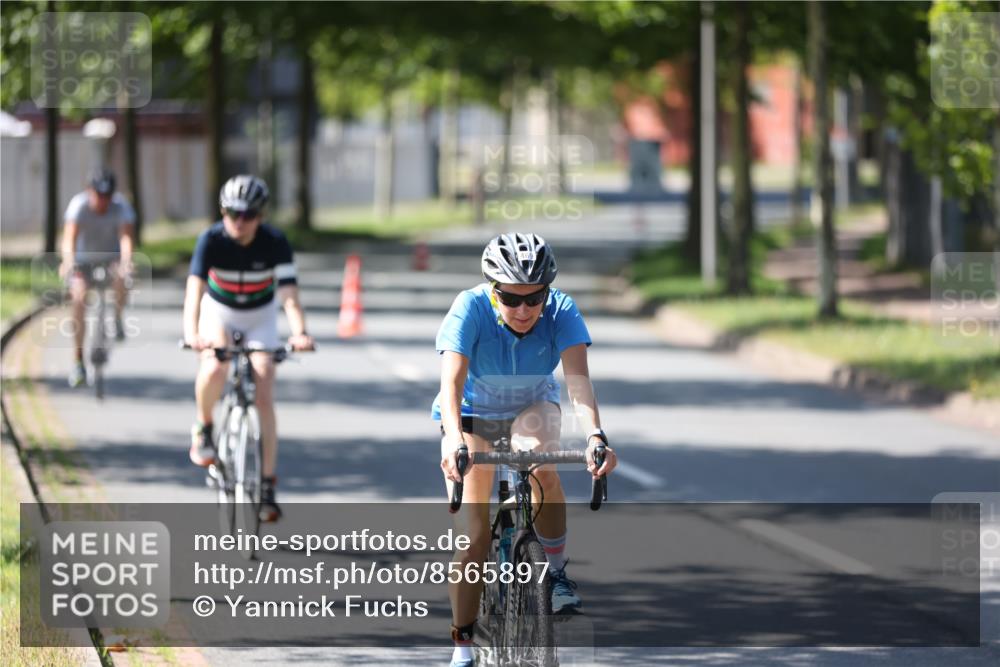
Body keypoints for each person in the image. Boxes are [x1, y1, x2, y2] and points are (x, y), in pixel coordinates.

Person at [434, 232, 618, 667]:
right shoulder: (470, 307)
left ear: (546, 292)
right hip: (472, 413)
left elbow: (578, 382)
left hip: (531, 406)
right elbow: (451, 383)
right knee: (475, 536)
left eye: (534, 298)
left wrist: (595, 435)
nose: (523, 309)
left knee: (540, 463)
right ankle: (462, 645)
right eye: (510, 299)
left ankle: (554, 575)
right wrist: (453, 437)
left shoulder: (561, 310)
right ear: (492, 291)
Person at [182, 175, 313, 522]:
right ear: (223, 212)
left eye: (249, 215)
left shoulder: (275, 242)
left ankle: (267, 485)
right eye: (232, 213)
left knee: (265, 384)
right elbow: (194, 291)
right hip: (219, 312)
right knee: (214, 366)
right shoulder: (210, 239)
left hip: (259, 315)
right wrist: (192, 333)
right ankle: (204, 426)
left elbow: (289, 296)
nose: (240, 222)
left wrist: (299, 333)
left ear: (261, 215)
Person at [60, 167, 136, 387]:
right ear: (89, 191)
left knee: (123, 277)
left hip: (110, 258)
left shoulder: (121, 207)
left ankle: (118, 317)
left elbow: (126, 239)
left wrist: (127, 261)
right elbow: (69, 239)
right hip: (83, 262)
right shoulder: (79, 206)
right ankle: (78, 361)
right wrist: (68, 262)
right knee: (78, 298)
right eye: (99, 195)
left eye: (108, 195)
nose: (103, 200)